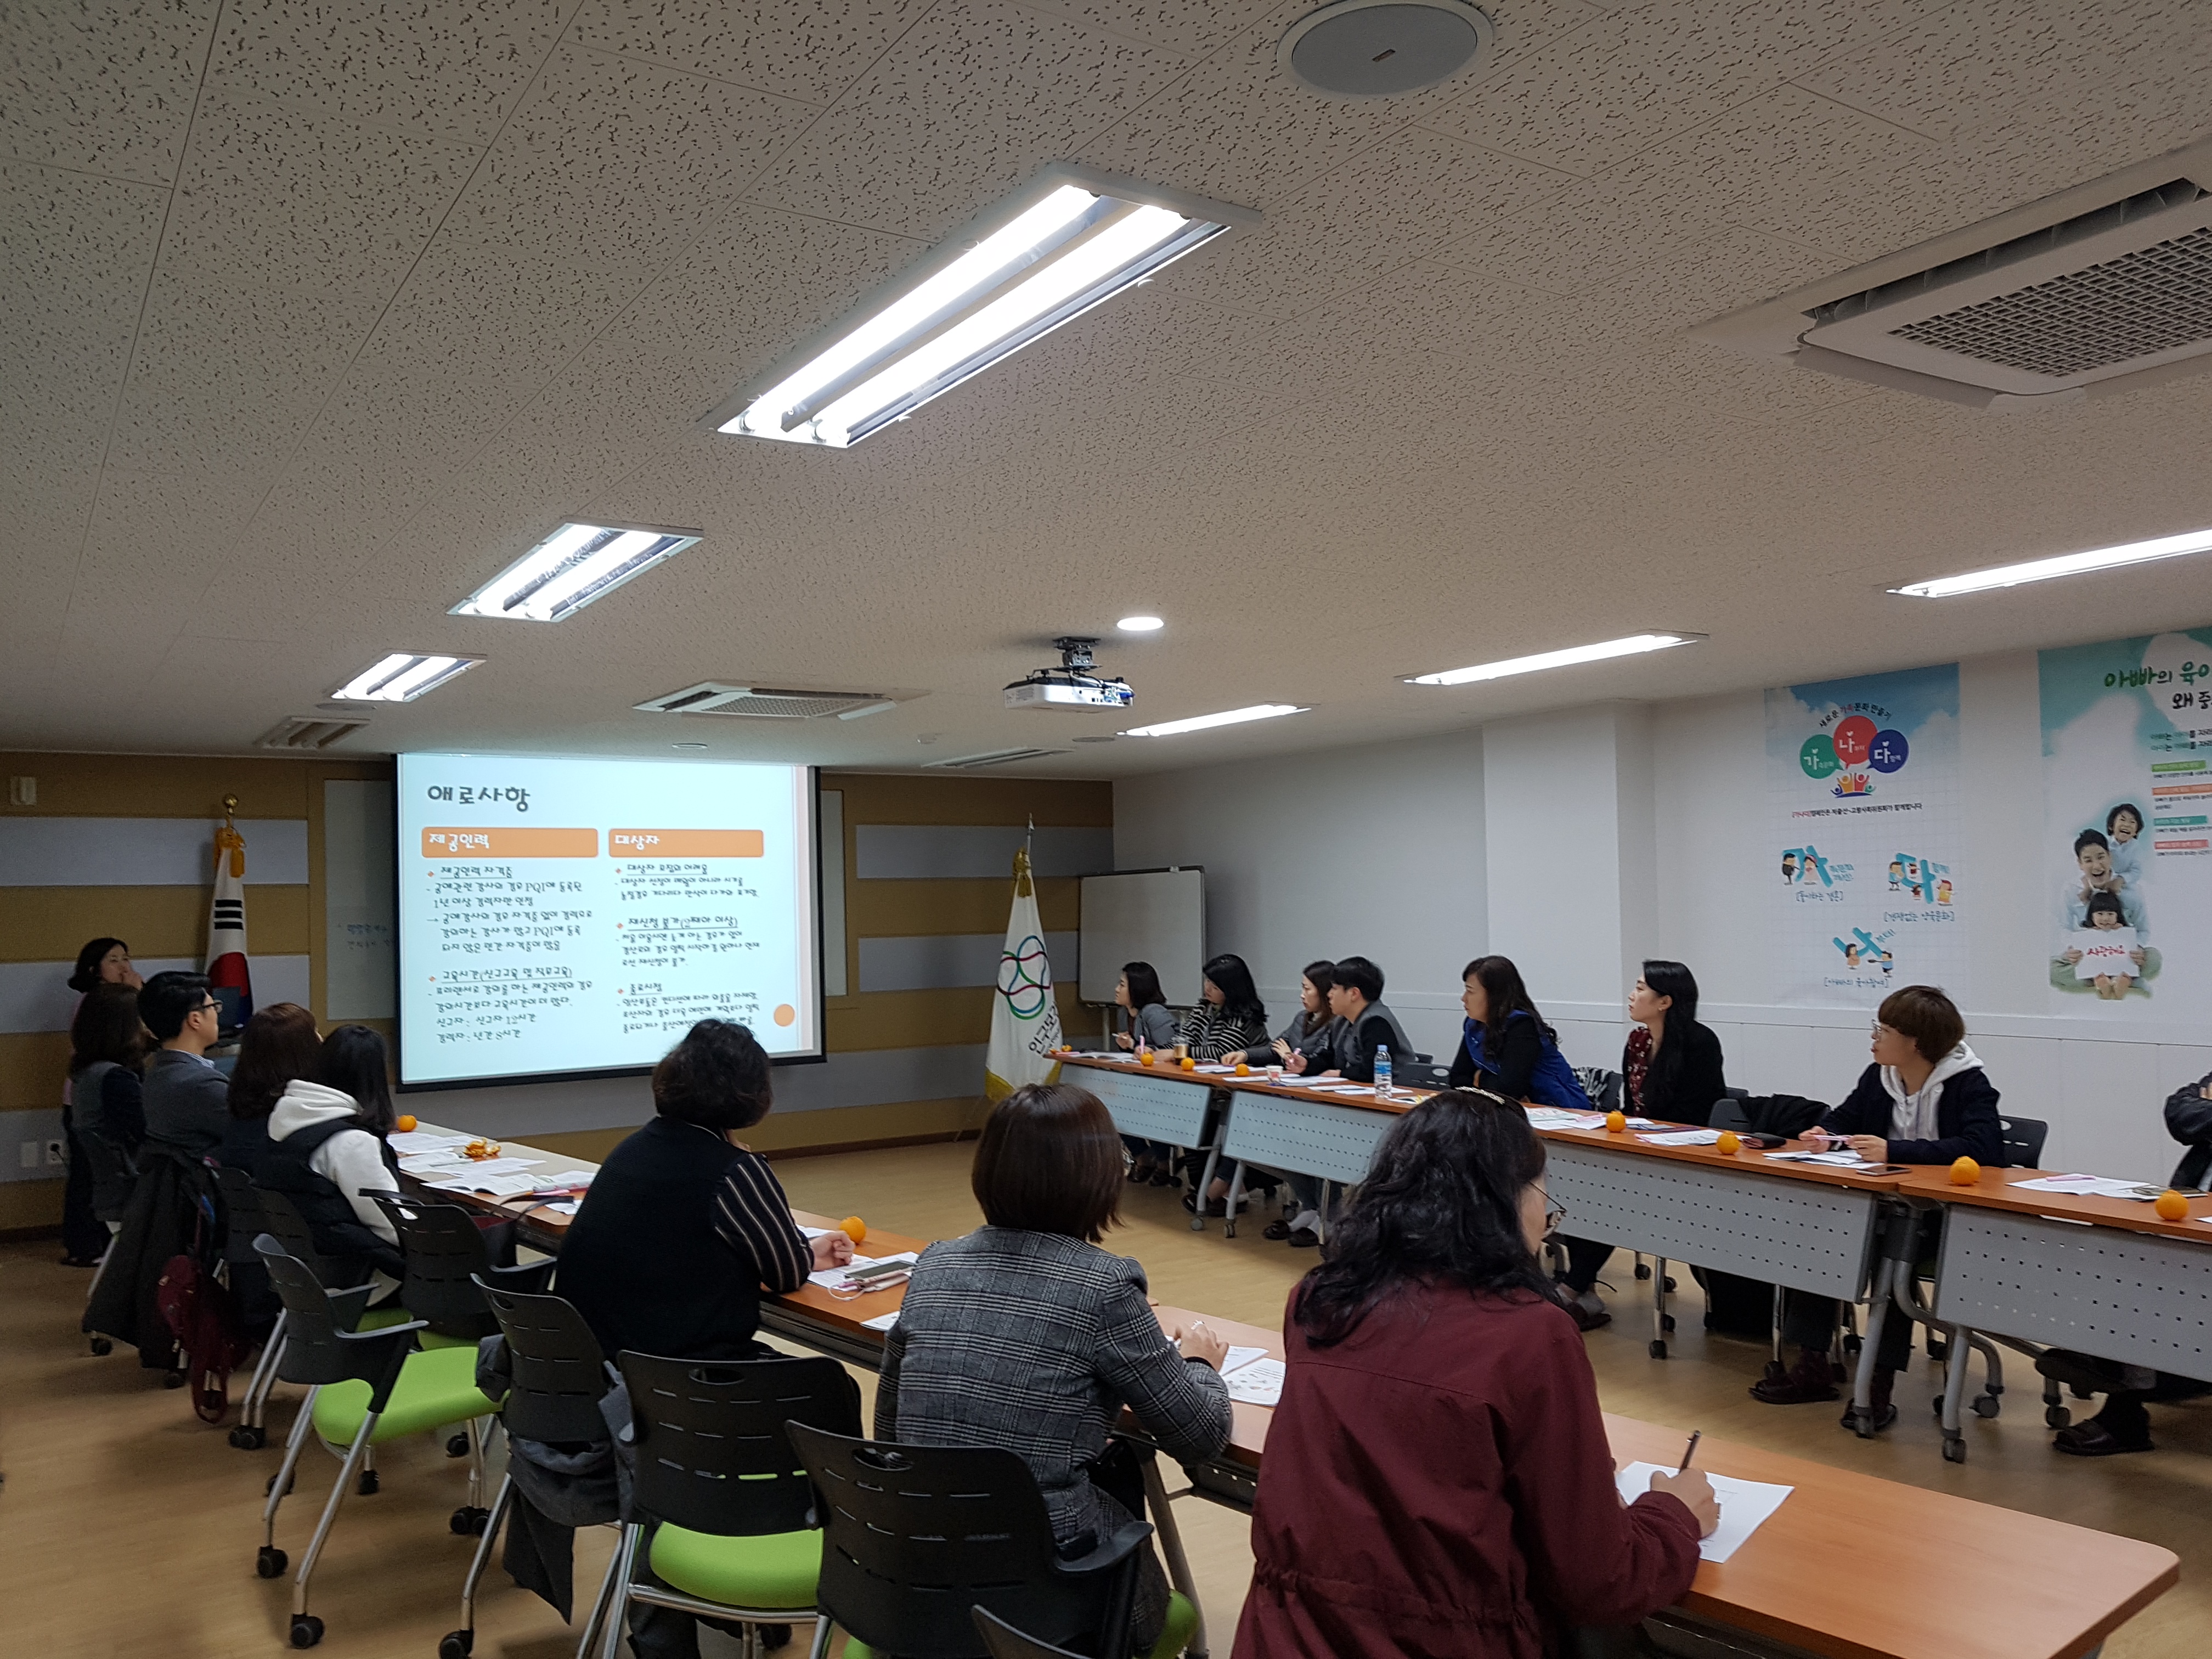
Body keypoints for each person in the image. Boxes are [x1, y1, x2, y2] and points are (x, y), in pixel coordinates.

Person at [1234, 1091, 1714, 1658]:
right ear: (1502, 1204)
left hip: (1285, 1637)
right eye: (1542, 1196)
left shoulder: (1320, 1300)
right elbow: (1599, 1581)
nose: (1545, 1220)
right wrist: (1674, 1516)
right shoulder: (1530, 1334)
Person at [880, 1082, 1232, 1657]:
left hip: (921, 1578)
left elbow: (890, 1424)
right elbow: (1200, 1435)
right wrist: (1197, 1363)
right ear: (1098, 1179)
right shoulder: (1103, 1285)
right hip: (1045, 1597)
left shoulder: (935, 1264)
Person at [1751, 986, 2002, 1427]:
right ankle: (1812, 1364)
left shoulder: (1968, 1083)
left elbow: (1984, 1149)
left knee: (1893, 1257)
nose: (1873, 1037)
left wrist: (1896, 1151)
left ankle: (1878, 1383)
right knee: (1820, 1235)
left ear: (1914, 1042)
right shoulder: (1879, 1076)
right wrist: (1823, 1134)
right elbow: (1844, 1119)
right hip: (1882, 1206)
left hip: (1941, 1217)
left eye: (1883, 1030)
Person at [558, 1020, 853, 1363]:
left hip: (592, 1363)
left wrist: (807, 1253)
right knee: (832, 1384)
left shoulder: (631, 1149)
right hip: (676, 1370)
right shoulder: (733, 1169)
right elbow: (787, 1275)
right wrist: (802, 1255)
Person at [1446, 956, 1603, 1324]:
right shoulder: (1474, 1026)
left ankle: (1579, 1286)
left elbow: (1509, 1086)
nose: (1464, 999)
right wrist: (1483, 1084)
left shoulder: (1521, 1026)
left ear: (1494, 994)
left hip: (1565, 1118)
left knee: (1576, 1197)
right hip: (1520, 1123)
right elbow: (1457, 1080)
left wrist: (1481, 1082)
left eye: (1471, 991)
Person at [258, 1024, 409, 1292]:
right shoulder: (352, 1142)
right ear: (374, 1077)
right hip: (364, 1279)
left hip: (306, 1276)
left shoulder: (284, 1117)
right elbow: (392, 1226)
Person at [1243, 963, 1344, 1248]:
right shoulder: (1302, 1019)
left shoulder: (1336, 1024)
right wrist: (1245, 1055)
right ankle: (1309, 1207)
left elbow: (1318, 1060)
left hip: (1322, 1106)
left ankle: (1328, 1216)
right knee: (1286, 1147)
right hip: (1294, 1101)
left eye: (1307, 989)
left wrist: (1290, 1057)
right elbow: (1275, 1047)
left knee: (1319, 1151)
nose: (1302, 994)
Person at [59, 938, 143, 1265]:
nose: (124, 966)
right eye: (113, 960)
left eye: (126, 958)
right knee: (87, 1174)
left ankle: (98, 1243)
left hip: (101, 1091)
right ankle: (83, 1246)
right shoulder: (95, 1002)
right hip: (90, 1096)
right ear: (95, 970)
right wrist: (135, 997)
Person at [1173, 955, 1272, 1220]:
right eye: (1207, 982)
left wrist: (1180, 1053)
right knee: (1188, 1118)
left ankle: (1221, 1189)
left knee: (1208, 1121)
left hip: (1245, 1095)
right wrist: (1165, 1050)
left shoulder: (1246, 1017)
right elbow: (1182, 1040)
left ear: (1232, 989)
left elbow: (1219, 1052)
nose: (1207, 989)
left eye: (1215, 986)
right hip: (1212, 1090)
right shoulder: (1204, 1008)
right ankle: (1215, 1188)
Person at [65, 984, 150, 1238]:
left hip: (109, 1190)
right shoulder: (116, 1079)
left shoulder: (87, 1072)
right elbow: (148, 1133)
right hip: (131, 1191)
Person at [219, 1003, 321, 1175]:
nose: (321, 1039)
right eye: (314, 1033)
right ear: (301, 1053)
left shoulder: (240, 1111)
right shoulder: (307, 1119)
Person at [137, 971, 231, 1157]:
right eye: (213, 1006)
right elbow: (252, 1137)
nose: (217, 1013)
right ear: (195, 1019)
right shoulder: (203, 1085)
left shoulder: (155, 1073)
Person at [1285, 956, 1415, 1084]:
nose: (1329, 994)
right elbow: (1329, 1058)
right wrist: (1307, 1065)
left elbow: (1372, 1071)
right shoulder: (1341, 1021)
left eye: (1334, 988)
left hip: (1395, 1090)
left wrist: (1340, 1074)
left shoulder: (1377, 1022)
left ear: (1354, 994)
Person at [1112, 962, 1181, 1186]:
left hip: (1163, 1084)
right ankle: (1143, 1156)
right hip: (1139, 1081)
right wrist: (1128, 1046)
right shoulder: (1125, 1014)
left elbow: (1172, 1048)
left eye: (1122, 985)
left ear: (1137, 989)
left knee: (1151, 1108)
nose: (1117, 989)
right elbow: (1136, 1051)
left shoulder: (1155, 1013)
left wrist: (1139, 1048)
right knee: (1114, 1105)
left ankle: (1163, 1163)